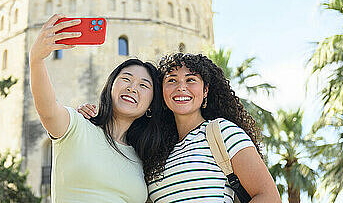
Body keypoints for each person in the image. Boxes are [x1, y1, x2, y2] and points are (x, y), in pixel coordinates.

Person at [79, 52, 281, 203]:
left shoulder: (222, 132)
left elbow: (268, 196)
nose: (181, 87)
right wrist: (94, 117)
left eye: (191, 80)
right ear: (162, 92)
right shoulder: (155, 149)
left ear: (205, 90)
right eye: (172, 80)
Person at [29, 14, 169, 203]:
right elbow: (47, 108)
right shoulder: (77, 126)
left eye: (143, 85)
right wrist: (36, 60)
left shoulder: (144, 157)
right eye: (126, 79)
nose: (132, 88)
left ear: (151, 106)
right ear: (110, 87)